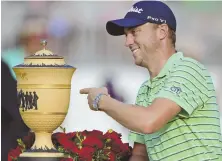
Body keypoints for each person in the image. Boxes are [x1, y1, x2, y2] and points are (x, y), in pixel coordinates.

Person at [80, 1, 222, 161]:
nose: (127, 42)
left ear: (162, 31)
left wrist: (101, 100)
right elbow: (140, 155)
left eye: (134, 32)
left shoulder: (188, 69)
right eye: (126, 35)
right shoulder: (145, 89)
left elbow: (149, 121)